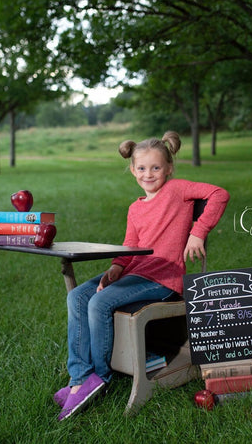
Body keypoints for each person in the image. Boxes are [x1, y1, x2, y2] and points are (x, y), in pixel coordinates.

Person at [55, 131, 230, 421]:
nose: (148, 174)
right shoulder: (135, 208)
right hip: (135, 274)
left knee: (99, 304)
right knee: (78, 295)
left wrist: (198, 233)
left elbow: (219, 194)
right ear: (133, 170)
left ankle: (100, 377)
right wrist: (116, 268)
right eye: (141, 168)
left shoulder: (177, 190)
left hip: (164, 277)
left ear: (169, 168)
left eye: (156, 167)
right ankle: (79, 377)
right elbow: (130, 247)